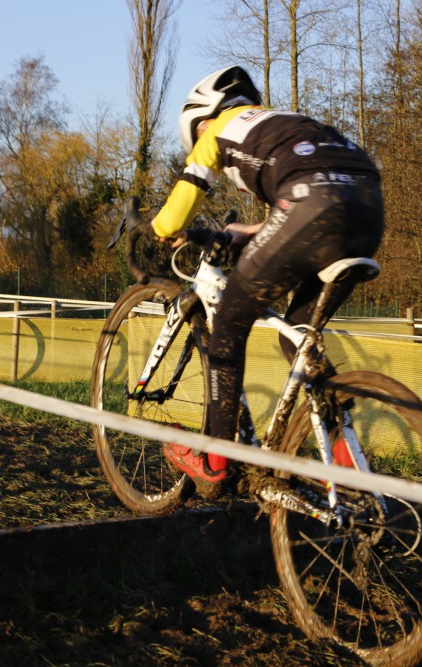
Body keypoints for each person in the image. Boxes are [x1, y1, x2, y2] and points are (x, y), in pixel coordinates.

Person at [149, 65, 384, 499]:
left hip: (311, 201)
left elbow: (176, 212)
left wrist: (162, 227)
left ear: (201, 119)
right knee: (298, 338)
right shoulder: (285, 122)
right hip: (366, 204)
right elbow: (304, 194)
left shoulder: (217, 129)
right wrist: (250, 232)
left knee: (229, 326)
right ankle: (347, 459)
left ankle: (214, 461)